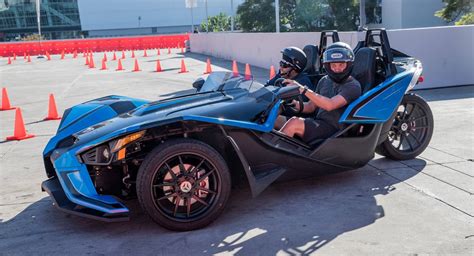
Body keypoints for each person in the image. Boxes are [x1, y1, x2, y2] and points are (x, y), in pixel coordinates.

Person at [279, 42, 361, 143]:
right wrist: (294, 104)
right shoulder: (325, 80)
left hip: (335, 130)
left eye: (341, 64)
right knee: (274, 118)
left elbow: (329, 105)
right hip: (319, 122)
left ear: (348, 65)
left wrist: (302, 89)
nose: (337, 68)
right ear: (327, 65)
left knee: (294, 123)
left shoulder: (353, 86)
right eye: (333, 65)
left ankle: (275, 155)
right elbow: (311, 107)